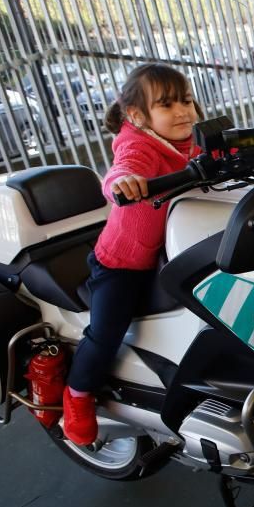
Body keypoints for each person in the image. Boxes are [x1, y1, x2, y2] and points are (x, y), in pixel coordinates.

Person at [62, 64, 201, 445]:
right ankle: (77, 395)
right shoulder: (139, 144)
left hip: (168, 252)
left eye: (186, 100)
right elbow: (122, 169)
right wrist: (123, 181)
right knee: (105, 334)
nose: (183, 111)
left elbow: (232, 152)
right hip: (121, 263)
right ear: (138, 116)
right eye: (167, 104)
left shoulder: (190, 142)